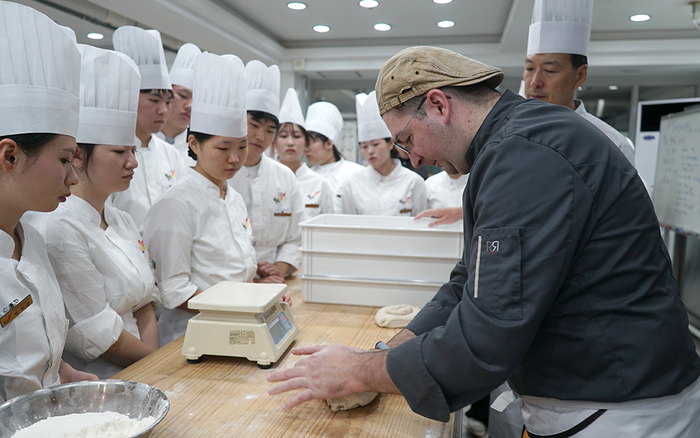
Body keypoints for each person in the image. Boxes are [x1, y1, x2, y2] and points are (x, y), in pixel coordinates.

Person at [267, 46, 700, 437]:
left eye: (408, 140)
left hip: (620, 410)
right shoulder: (509, 145)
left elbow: (488, 336)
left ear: (438, 104)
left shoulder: (526, 154)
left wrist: (362, 371)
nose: (414, 159)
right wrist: (389, 348)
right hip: (597, 397)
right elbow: (467, 280)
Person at [30, 46, 160, 379]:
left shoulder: (121, 218)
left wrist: (158, 362)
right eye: (119, 151)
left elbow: (145, 302)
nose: (132, 162)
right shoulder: (59, 227)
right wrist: (159, 364)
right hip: (102, 380)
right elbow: (101, 336)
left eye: (133, 150)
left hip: (150, 367)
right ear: (78, 157)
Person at [143, 53, 289, 347]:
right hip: (191, 338)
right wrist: (249, 302)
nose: (234, 159)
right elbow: (175, 292)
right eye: (223, 148)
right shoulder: (177, 204)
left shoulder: (232, 197)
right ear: (194, 144)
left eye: (242, 146)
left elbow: (227, 272)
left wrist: (259, 288)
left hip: (242, 327)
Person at [0, 2, 97, 402]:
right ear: (10, 156)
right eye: (63, 159)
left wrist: (65, 374)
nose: (74, 177)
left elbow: (33, 360)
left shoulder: (32, 239)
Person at [523, 0, 635, 166]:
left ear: (579, 76)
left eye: (550, 71)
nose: (535, 82)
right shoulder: (506, 133)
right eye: (529, 68)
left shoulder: (611, 143)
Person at [110, 26, 188, 234]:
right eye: (154, 100)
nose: (163, 111)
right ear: (129, 97)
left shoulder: (171, 155)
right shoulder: (109, 153)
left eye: (168, 102)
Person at [230, 61, 303, 278]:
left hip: (277, 278)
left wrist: (277, 271)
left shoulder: (284, 177)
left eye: (270, 130)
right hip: (232, 278)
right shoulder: (222, 175)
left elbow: (296, 237)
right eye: (254, 125)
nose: (261, 136)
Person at [340, 91, 427, 216]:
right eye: (364, 146)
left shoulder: (413, 182)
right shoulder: (352, 184)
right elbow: (348, 226)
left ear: (391, 143)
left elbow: (419, 224)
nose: (370, 151)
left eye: (375, 144)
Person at [274, 88, 334, 220]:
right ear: (273, 143)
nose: (290, 142)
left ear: (306, 143)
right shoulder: (266, 180)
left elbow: (329, 226)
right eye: (283, 136)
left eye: (296, 136)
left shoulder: (320, 184)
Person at [304, 101, 363, 213]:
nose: (306, 148)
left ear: (329, 144)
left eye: (311, 143)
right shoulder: (307, 177)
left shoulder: (356, 173)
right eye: (305, 143)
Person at [157, 43, 202, 167]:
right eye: (183, 96)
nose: (190, 106)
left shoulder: (198, 151)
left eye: (196, 100)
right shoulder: (142, 143)